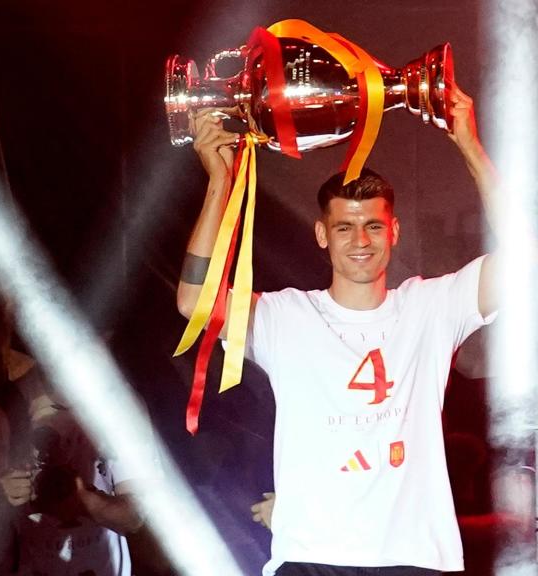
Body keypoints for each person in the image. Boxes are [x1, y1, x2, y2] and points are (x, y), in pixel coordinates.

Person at [177, 86, 498, 576]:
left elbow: (523, 263)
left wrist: (469, 146)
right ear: (322, 235)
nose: (361, 240)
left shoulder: (430, 307)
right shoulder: (287, 316)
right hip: (312, 558)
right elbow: (193, 303)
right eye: (345, 227)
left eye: (373, 226)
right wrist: (219, 182)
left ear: (394, 231)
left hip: (413, 560)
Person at [0, 363, 147, 576]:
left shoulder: (120, 404)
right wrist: (2, 495)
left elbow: (134, 517)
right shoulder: (5, 404)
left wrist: (83, 500)